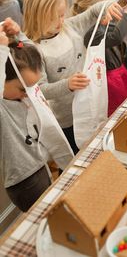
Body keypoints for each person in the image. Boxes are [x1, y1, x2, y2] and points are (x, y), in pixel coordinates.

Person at [23, 0, 122, 154]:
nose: (60, 21)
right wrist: (67, 84)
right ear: (37, 16)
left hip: (91, 106)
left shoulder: (70, 26)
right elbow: (40, 90)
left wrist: (108, 5)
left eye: (62, 15)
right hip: (66, 120)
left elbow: (93, 12)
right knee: (75, 159)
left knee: (98, 152)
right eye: (54, 18)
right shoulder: (34, 50)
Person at [0, 22, 73, 212]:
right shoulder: (2, 107)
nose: (29, 93)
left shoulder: (22, 91)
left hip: (39, 167)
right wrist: (1, 49)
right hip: (24, 181)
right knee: (47, 216)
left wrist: (18, 35)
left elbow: (27, 54)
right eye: (23, 89)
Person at [82, 0, 127, 116]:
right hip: (110, 81)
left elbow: (115, 28)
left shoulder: (101, 24)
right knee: (120, 113)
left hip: (118, 73)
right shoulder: (90, 32)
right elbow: (116, 37)